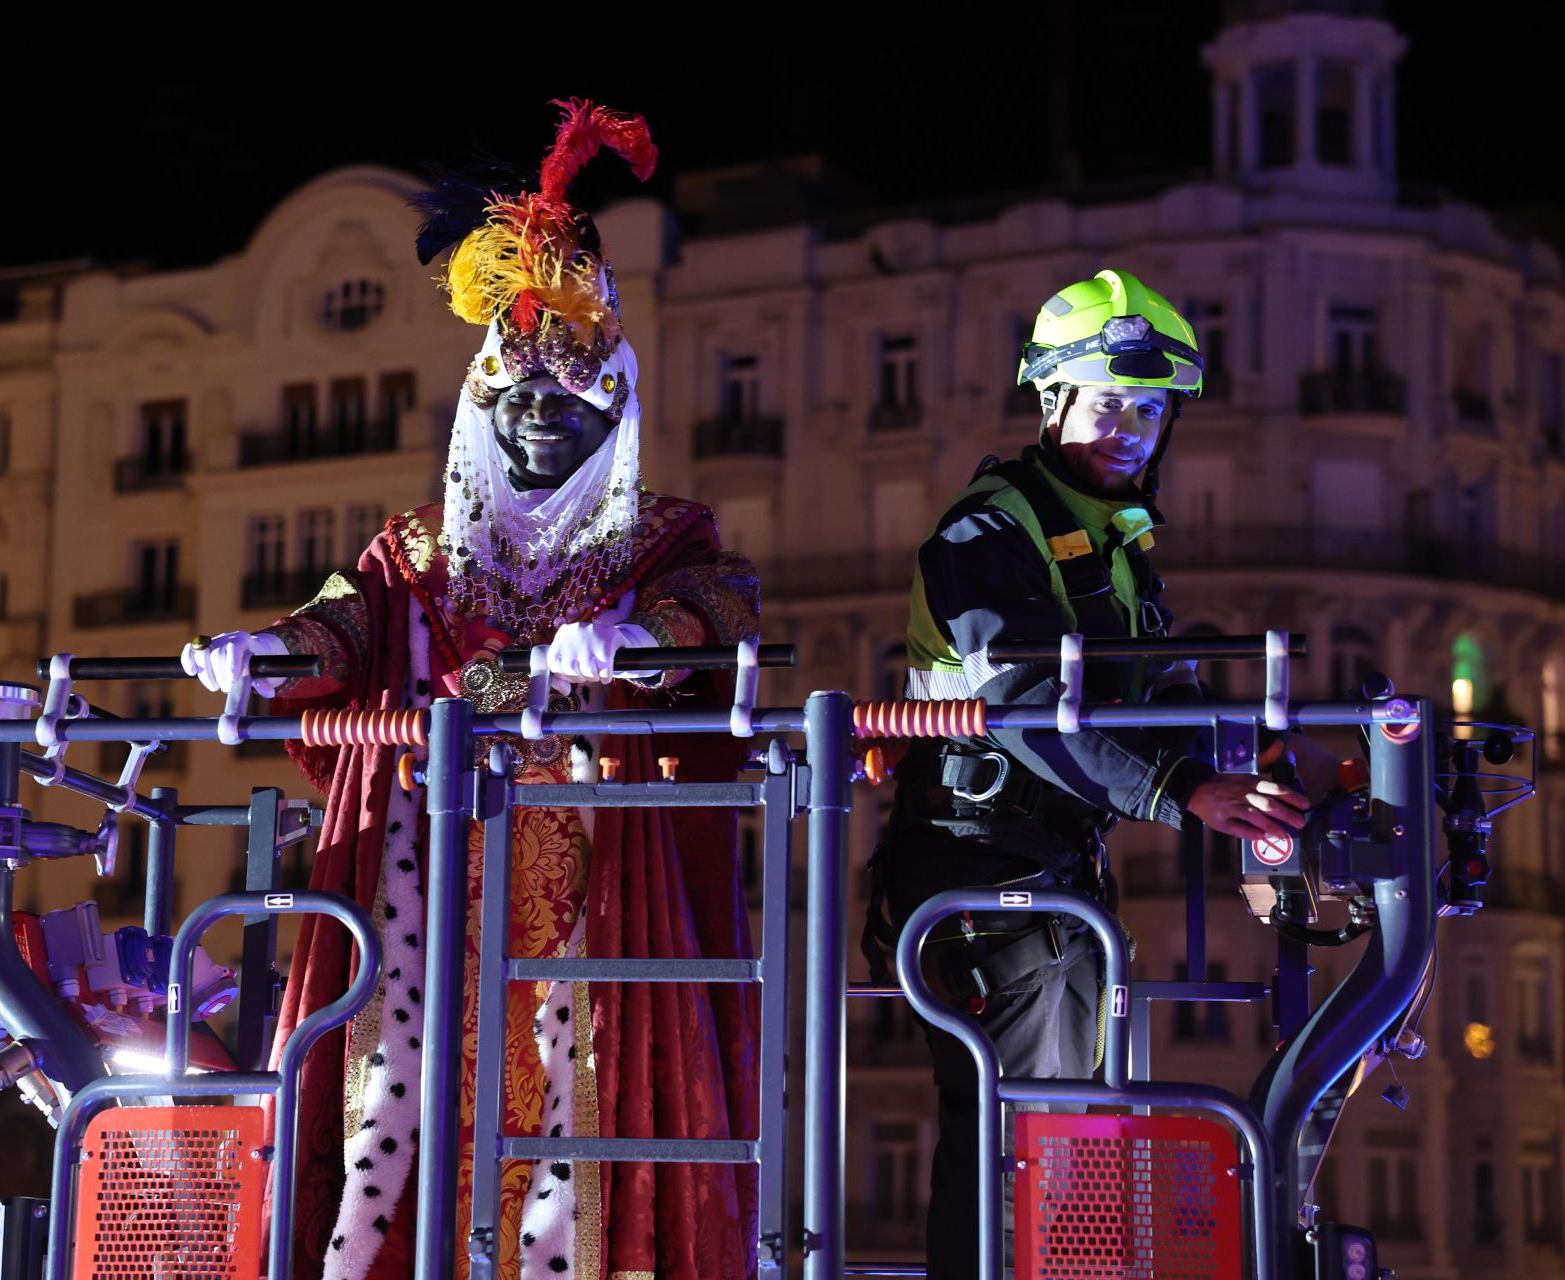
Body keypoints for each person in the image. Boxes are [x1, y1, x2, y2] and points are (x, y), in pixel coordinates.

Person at [184, 101, 761, 1280]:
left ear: (615, 417)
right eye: (519, 401)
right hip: (421, 896)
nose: (543, 423)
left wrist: (632, 634)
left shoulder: (664, 539)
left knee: (574, 1139)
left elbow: (724, 603)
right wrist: (261, 654)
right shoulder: (417, 550)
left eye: (574, 406)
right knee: (387, 1131)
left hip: (595, 895)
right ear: (482, 410)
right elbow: (339, 631)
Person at [862, 268, 1330, 1275]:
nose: (1130, 427)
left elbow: (1159, 689)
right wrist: (1183, 791)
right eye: (1108, 402)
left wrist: (1253, 765)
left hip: (1045, 869)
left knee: (1065, 1121)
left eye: (1152, 410)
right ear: (1052, 400)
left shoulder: (1118, 546)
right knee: (1022, 1128)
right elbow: (1027, 699)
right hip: (976, 872)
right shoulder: (985, 534)